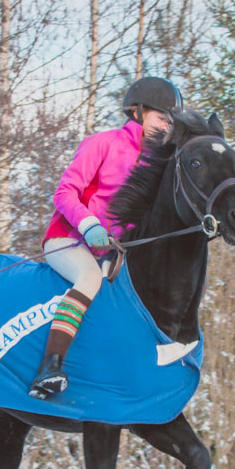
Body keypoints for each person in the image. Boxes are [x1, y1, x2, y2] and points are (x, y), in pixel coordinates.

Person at [28, 76, 182, 399]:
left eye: (170, 122)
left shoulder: (156, 165)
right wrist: (89, 226)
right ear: (138, 112)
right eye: (161, 117)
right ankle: (49, 367)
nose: (166, 126)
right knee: (88, 280)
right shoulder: (103, 143)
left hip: (109, 253)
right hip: (69, 240)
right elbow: (65, 192)